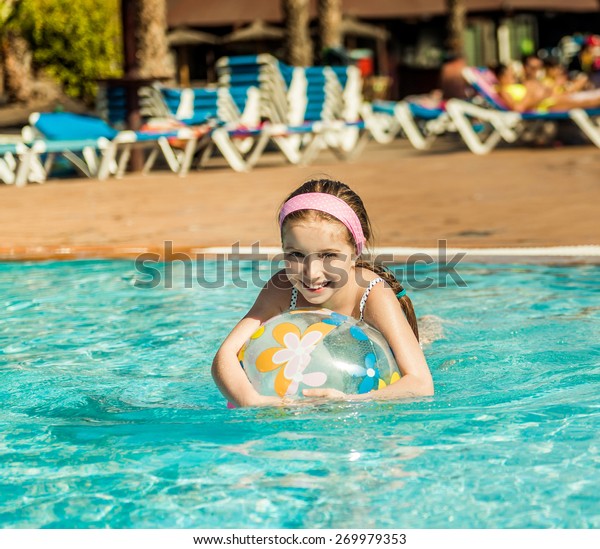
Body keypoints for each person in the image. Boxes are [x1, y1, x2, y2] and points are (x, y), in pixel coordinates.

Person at [212, 178, 434, 407]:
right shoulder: (282, 289)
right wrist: (253, 401)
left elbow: (420, 383)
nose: (312, 273)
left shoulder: (372, 295)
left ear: (357, 251)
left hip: (369, 362)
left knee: (425, 340)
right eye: (296, 255)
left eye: (329, 255)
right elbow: (225, 356)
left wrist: (350, 400)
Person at [494, 63, 600, 112]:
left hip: (547, 99)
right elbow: (518, 108)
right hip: (544, 105)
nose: (514, 76)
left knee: (584, 99)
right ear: (501, 77)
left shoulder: (516, 86)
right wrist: (533, 95)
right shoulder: (504, 91)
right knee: (584, 103)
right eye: (510, 74)